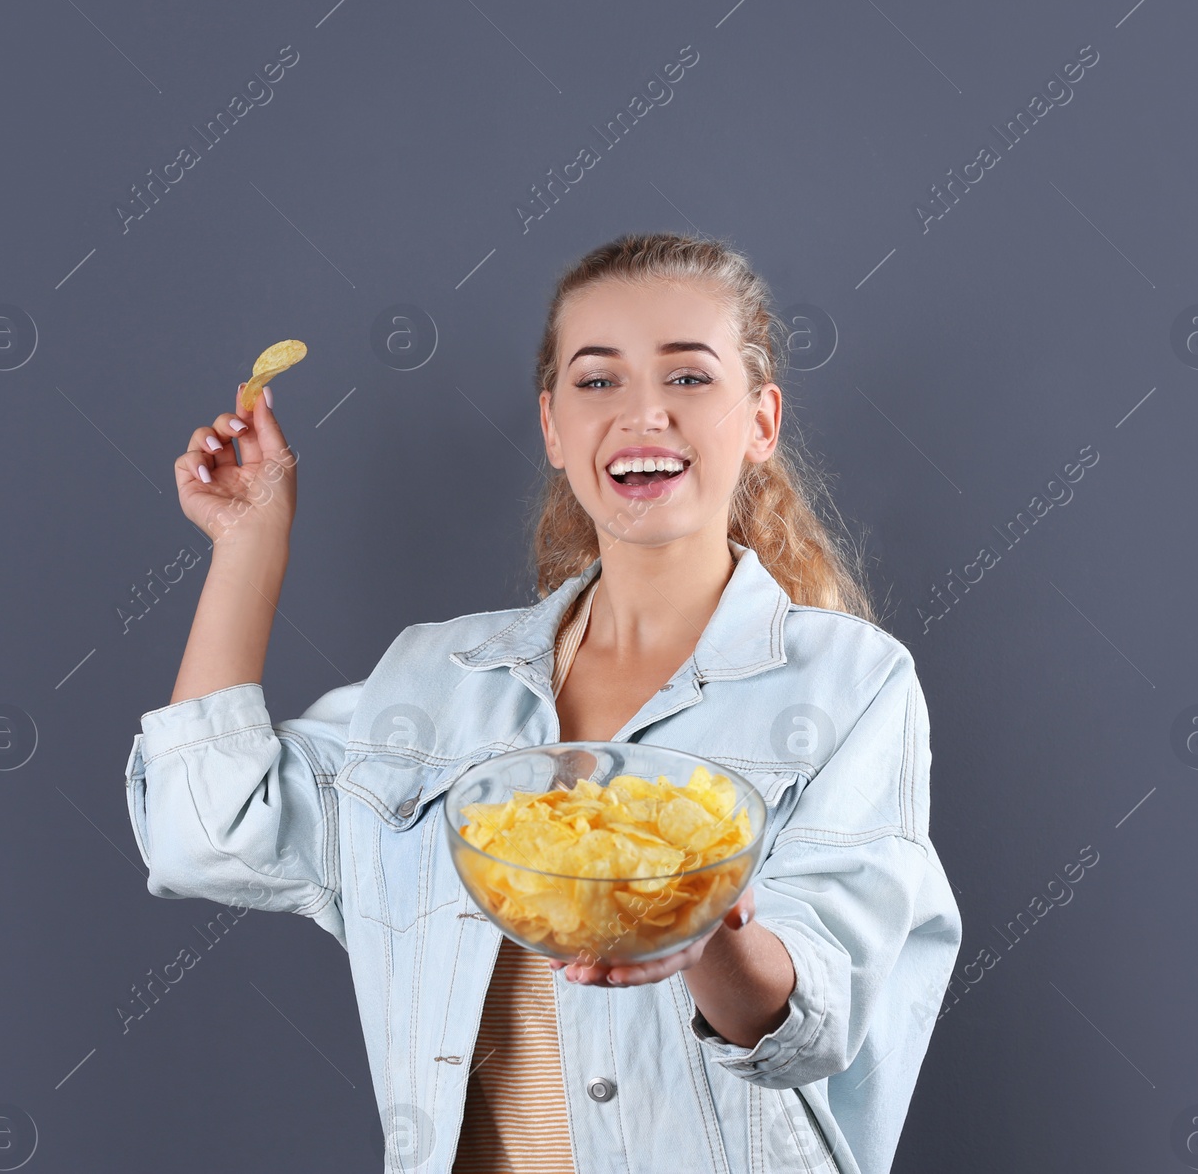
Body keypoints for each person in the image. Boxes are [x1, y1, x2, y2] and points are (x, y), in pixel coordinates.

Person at [124, 232, 962, 1173]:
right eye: (597, 381)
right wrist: (247, 546)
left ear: (760, 422)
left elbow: (811, 1024)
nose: (644, 411)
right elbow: (206, 828)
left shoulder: (853, 684)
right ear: (554, 427)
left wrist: (703, 929)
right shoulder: (436, 681)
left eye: (688, 378)